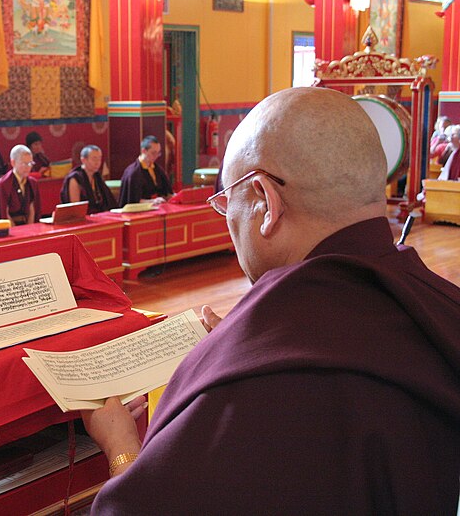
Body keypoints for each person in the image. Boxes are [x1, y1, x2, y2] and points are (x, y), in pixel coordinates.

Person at [83, 87, 460, 514]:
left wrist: (122, 450)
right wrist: (248, 345)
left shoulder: (245, 396)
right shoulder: (444, 307)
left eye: (227, 201)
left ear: (265, 203)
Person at [0, 145, 41, 225]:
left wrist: (30, 229)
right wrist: (16, 232)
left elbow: (33, 209)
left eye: (30, 163)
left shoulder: (32, 183)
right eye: (24, 164)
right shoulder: (3, 184)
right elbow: (4, 214)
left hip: (28, 227)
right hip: (11, 228)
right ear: (13, 162)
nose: (28, 167)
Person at [118, 135, 173, 206]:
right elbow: (133, 201)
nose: (156, 156)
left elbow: (166, 192)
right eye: (153, 153)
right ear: (143, 151)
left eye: (158, 153)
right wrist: (153, 201)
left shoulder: (157, 169)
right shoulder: (133, 172)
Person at [60, 145, 117, 214]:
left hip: (98, 216)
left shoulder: (97, 176)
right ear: (83, 160)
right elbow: (75, 208)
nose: (97, 162)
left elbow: (108, 200)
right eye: (94, 159)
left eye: (99, 159)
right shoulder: (75, 178)